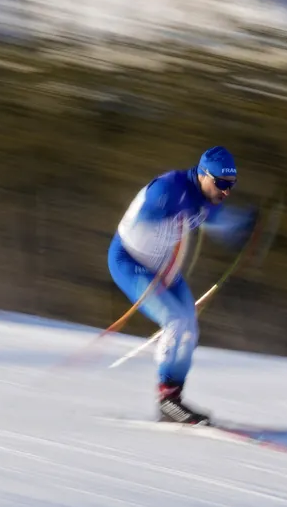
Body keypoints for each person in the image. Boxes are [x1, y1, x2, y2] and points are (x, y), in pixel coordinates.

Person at [107, 146, 257, 425]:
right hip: (130, 261)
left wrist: (242, 227)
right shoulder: (169, 188)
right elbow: (144, 220)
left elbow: (219, 223)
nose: (226, 192)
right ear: (203, 174)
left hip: (163, 267)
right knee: (175, 320)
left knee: (189, 327)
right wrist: (180, 212)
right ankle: (166, 400)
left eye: (231, 185)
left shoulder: (209, 197)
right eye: (221, 183)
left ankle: (174, 397)